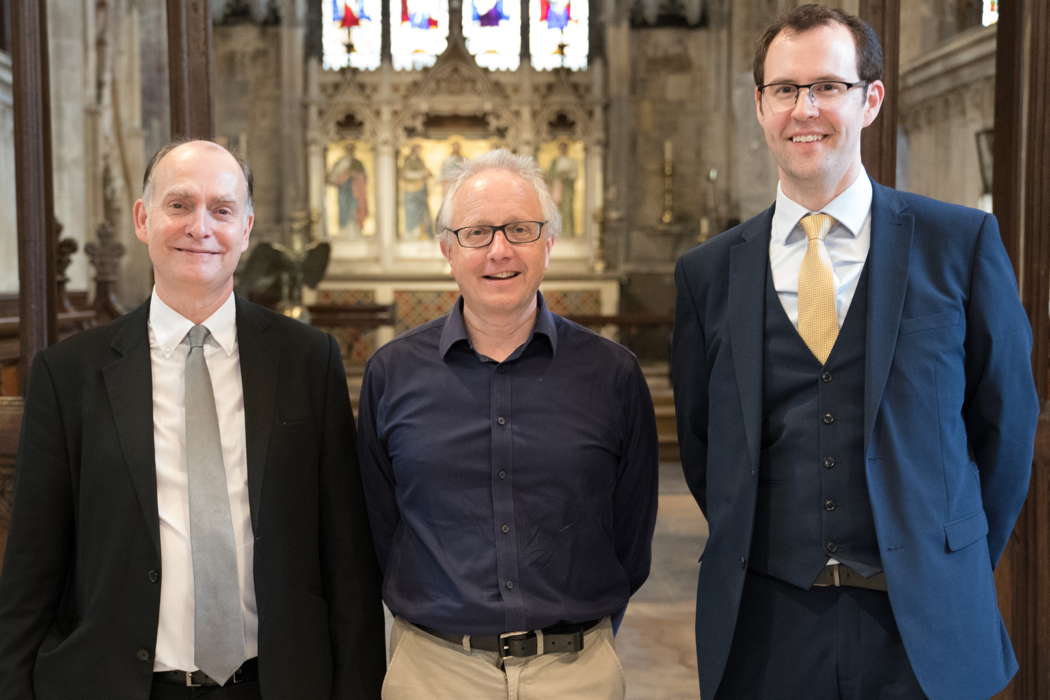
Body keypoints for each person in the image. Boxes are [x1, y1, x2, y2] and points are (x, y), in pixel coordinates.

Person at [671, 5, 1038, 700]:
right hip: (768, 627)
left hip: (923, 627)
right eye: (785, 89)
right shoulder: (708, 273)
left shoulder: (959, 244)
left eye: (827, 86)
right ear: (760, 106)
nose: (804, 109)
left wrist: (948, 559)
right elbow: (705, 447)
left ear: (870, 99)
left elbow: (1005, 426)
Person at [0, 139, 386, 699]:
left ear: (246, 228)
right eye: (179, 205)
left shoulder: (307, 360)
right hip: (120, 684)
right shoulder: (70, 375)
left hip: (277, 682)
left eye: (222, 209)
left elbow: (346, 559)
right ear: (143, 218)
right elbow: (31, 572)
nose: (199, 227)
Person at [357, 149, 658, 700]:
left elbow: (632, 535)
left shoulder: (612, 374)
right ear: (447, 249)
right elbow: (380, 526)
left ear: (549, 241)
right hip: (434, 672)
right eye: (476, 233)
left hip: (576, 673)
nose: (499, 251)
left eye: (520, 229)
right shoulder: (392, 374)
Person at [546, 142, 578, 237]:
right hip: (556, 187)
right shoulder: (555, 161)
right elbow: (550, 174)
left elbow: (575, 175)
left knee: (567, 209)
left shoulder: (572, 161)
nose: (563, 150)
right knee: (556, 210)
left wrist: (566, 175)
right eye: (561, 148)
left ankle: (568, 232)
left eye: (564, 148)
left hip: (567, 187)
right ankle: (557, 232)